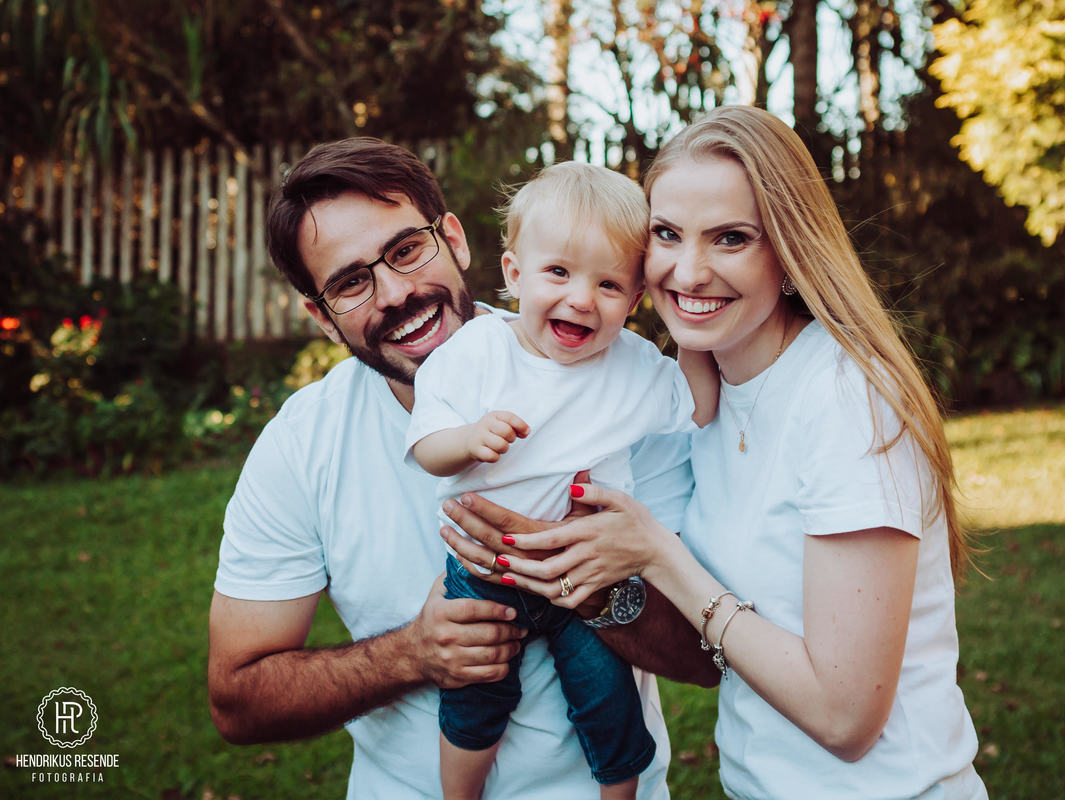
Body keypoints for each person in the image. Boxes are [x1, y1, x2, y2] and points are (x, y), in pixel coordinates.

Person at [442, 106, 988, 799]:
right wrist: (575, 571)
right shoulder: (695, 397)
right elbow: (709, 653)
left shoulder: (847, 400)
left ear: (789, 254)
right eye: (668, 234)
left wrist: (658, 557)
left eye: (730, 239)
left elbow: (846, 718)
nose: (689, 271)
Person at [206, 138, 712, 800]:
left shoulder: (617, 381)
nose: (395, 293)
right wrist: (412, 654)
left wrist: (598, 590)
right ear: (323, 319)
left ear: (454, 239)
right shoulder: (302, 445)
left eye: (406, 250)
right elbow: (238, 699)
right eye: (352, 283)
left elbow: (711, 658)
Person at [405, 161, 717, 799]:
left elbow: (698, 404)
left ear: (634, 302)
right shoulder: (476, 353)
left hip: (588, 574)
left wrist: (688, 328)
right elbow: (426, 445)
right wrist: (468, 440)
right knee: (475, 698)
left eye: (609, 285)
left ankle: (620, 792)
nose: (581, 298)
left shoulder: (631, 366)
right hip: (486, 572)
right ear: (514, 272)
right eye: (558, 272)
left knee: (608, 702)